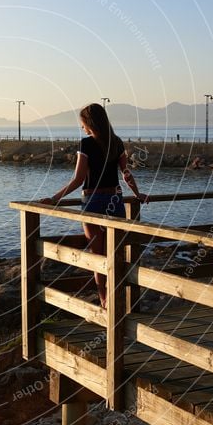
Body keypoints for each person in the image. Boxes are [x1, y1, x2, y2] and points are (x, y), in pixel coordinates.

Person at [40, 103, 148, 308]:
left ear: (90, 123)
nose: (82, 128)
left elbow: (78, 179)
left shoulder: (86, 144)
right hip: (115, 200)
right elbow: (126, 175)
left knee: (98, 257)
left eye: (82, 124)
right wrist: (137, 194)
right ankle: (118, 301)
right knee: (114, 255)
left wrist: (54, 199)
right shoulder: (116, 142)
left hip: (93, 202)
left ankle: (105, 302)